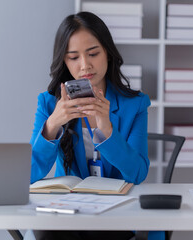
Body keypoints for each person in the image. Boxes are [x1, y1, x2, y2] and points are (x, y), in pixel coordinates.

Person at [28, 11, 164, 240]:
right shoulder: (50, 103)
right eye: (73, 57)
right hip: (65, 216)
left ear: (108, 54)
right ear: (64, 61)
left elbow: (138, 173)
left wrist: (107, 130)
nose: (85, 65)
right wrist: (52, 124)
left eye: (93, 53)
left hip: (115, 216)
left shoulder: (135, 104)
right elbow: (28, 174)